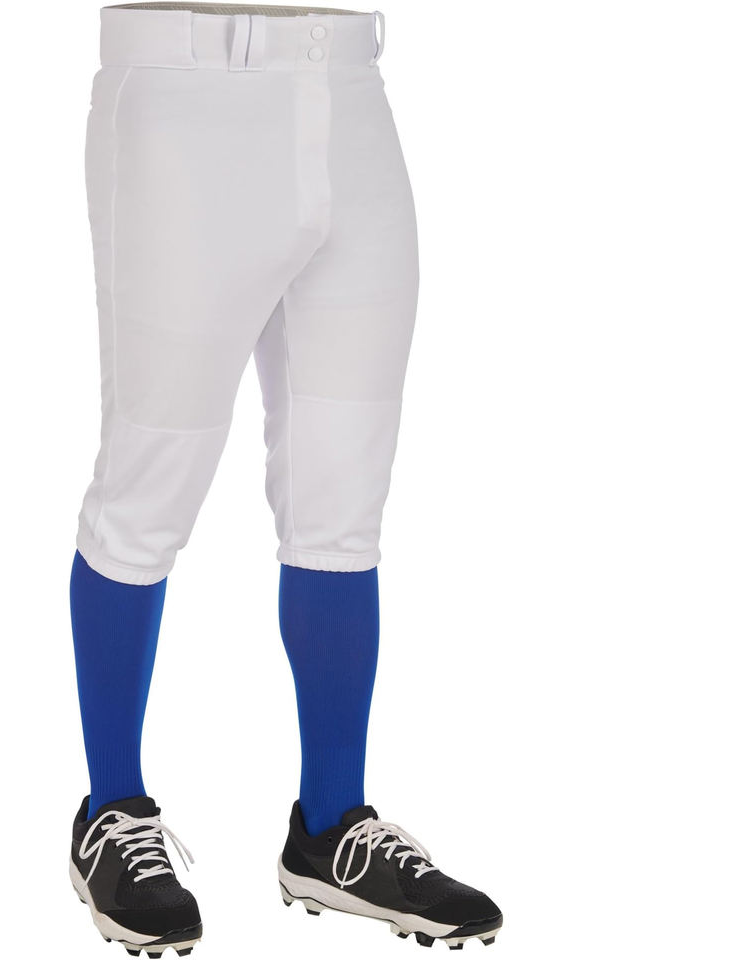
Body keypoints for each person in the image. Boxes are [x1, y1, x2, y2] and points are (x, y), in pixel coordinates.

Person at [67, 4, 502, 955]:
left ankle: (330, 830)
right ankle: (110, 812)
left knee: (343, 500)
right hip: (185, 99)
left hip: (350, 94)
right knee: (151, 481)